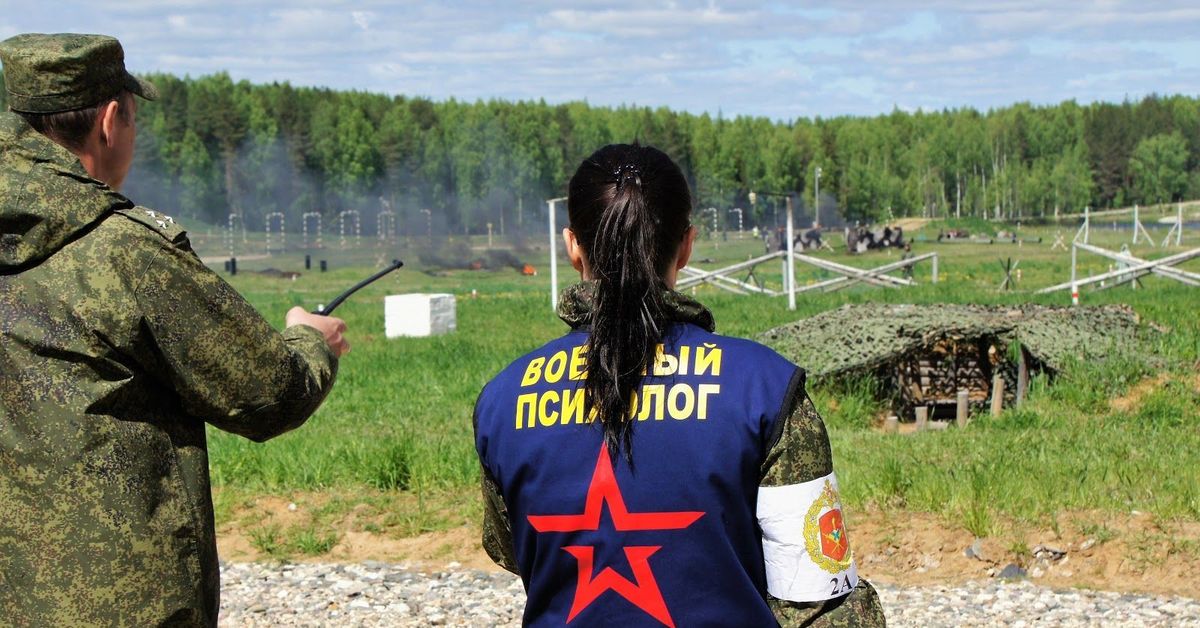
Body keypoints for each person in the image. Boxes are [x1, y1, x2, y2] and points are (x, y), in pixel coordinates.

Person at [0, 34, 348, 626]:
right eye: (134, 120)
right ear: (110, 121)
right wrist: (310, 338)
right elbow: (266, 392)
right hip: (120, 603)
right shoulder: (122, 250)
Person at [474, 143, 885, 626]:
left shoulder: (503, 399)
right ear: (686, 245)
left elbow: (514, 551)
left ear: (572, 246)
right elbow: (819, 602)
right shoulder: (764, 388)